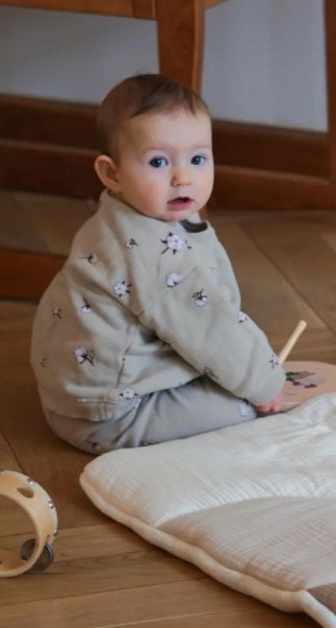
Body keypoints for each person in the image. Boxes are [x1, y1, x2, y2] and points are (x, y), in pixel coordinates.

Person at [30, 73, 284, 454]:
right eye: (159, 162)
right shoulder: (154, 254)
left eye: (198, 159)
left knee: (231, 372)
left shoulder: (117, 220)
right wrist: (264, 384)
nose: (182, 177)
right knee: (243, 404)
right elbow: (211, 327)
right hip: (113, 417)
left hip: (75, 400)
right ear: (112, 173)